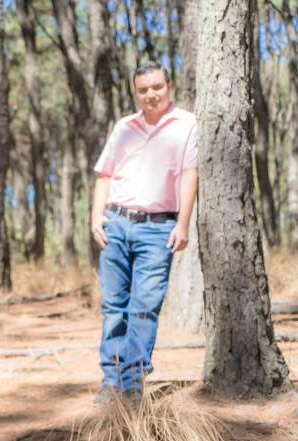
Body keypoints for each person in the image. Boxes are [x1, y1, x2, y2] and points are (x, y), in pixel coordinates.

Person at [90, 61, 198, 406]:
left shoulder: (186, 124)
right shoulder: (124, 127)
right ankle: (110, 381)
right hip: (116, 224)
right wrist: (97, 217)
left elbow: (189, 174)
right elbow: (104, 174)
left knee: (145, 307)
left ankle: (133, 382)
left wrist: (182, 223)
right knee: (113, 307)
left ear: (169, 86)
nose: (150, 95)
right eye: (142, 90)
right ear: (135, 93)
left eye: (157, 87)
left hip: (159, 228)